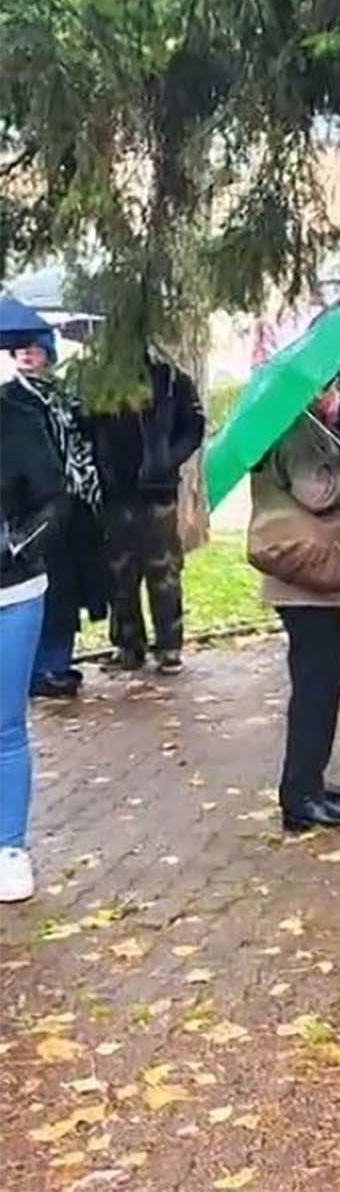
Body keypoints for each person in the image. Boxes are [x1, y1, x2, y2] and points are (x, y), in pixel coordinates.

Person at [248, 391, 340, 832]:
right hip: (305, 578)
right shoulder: (294, 427)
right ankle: (301, 797)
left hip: (307, 577)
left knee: (319, 686)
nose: (332, 391)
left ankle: (309, 781)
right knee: (315, 691)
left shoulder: (300, 423)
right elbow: (316, 491)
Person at [5, 333, 107, 697]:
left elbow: (86, 442)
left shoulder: (66, 397)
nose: (28, 354)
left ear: (48, 354)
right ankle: (36, 670)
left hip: (75, 503)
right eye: (21, 348)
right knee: (41, 587)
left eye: (35, 348)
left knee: (69, 589)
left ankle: (57, 664)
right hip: (32, 509)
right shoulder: (10, 399)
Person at [91, 354, 205, 674]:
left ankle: (169, 647)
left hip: (157, 491)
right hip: (114, 493)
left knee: (163, 570)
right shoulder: (98, 379)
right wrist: (100, 468)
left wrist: (168, 459)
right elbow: (86, 428)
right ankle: (128, 645)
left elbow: (194, 425)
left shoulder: (170, 380)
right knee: (119, 574)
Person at [1, 370, 65, 902]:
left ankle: (9, 848)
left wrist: (13, 548)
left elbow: (53, 501)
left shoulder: (17, 416)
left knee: (4, 726)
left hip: (12, 594)